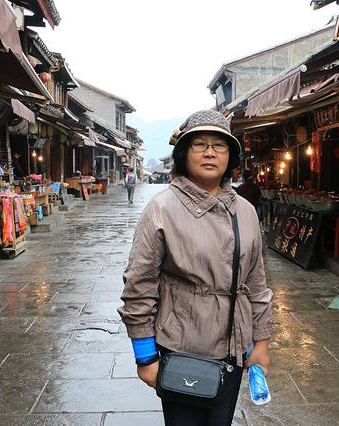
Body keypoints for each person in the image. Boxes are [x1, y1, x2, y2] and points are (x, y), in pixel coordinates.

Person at [118, 110, 273, 426]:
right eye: (199, 144)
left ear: (230, 156)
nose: (210, 152)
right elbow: (139, 286)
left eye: (220, 145)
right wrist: (145, 355)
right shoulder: (162, 209)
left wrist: (261, 342)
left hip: (233, 350)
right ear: (184, 154)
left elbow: (256, 282)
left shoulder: (245, 211)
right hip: (181, 350)